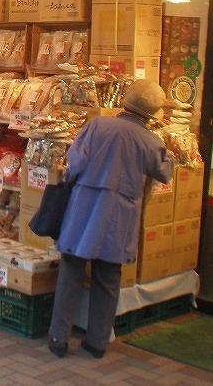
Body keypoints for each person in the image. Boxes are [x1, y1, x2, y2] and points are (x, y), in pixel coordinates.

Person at [47, 80, 173, 359]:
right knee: (108, 277)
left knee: (71, 272)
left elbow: (75, 163)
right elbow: (164, 173)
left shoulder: (97, 126)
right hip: (120, 215)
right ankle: (97, 342)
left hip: (84, 207)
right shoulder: (151, 141)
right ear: (152, 113)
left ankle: (58, 337)